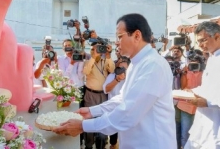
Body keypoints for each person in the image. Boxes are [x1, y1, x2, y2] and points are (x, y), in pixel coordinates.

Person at [53, 13, 177, 149]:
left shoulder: (153, 66)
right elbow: (122, 98)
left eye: (119, 37)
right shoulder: (137, 64)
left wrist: (83, 126)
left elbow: (127, 114)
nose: (116, 42)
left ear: (137, 35)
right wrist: (92, 111)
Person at [184, 21, 220, 149]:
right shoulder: (212, 58)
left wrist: (208, 103)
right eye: (198, 42)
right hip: (202, 124)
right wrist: (191, 91)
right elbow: (209, 87)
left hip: (216, 126)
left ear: (217, 36)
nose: (200, 45)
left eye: (203, 40)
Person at [82, 32, 115, 149]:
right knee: (88, 119)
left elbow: (112, 69)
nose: (96, 51)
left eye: (98, 48)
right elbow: (85, 72)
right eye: (93, 49)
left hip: (103, 95)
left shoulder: (105, 61)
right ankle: (88, 145)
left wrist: (108, 55)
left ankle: (102, 144)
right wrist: (93, 57)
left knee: (103, 120)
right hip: (90, 94)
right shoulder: (87, 62)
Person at [103, 56, 130, 149]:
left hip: (127, 109)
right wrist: (117, 79)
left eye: (124, 69)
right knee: (113, 133)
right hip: (113, 108)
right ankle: (113, 145)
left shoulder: (132, 77)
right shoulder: (112, 76)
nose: (121, 71)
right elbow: (106, 89)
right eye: (120, 68)